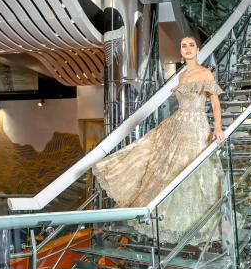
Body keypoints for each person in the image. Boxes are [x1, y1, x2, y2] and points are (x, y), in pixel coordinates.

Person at [93, 36, 226, 244]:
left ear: (198, 49)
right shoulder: (181, 76)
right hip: (177, 124)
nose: (188, 49)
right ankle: (167, 219)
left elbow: (215, 103)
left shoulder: (205, 72)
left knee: (190, 170)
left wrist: (218, 128)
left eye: (191, 46)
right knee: (157, 160)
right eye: (184, 46)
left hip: (196, 126)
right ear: (180, 52)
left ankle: (193, 223)